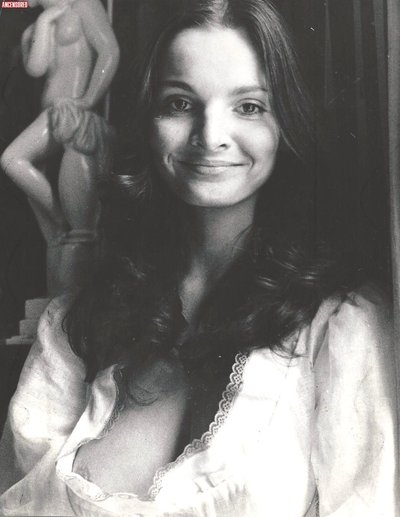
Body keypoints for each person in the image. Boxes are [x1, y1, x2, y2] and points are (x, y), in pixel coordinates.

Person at [0, 0, 398, 515]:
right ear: (149, 122)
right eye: (180, 103)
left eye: (249, 106)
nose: (210, 136)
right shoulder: (74, 326)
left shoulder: (340, 328)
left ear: (285, 125)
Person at [0, 0, 119, 293]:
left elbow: (110, 51)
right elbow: (36, 68)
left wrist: (88, 99)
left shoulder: (84, 5)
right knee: (52, 234)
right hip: (50, 114)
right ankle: (58, 219)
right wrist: (44, 22)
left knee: (12, 158)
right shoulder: (35, 27)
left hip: (71, 109)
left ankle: (60, 218)